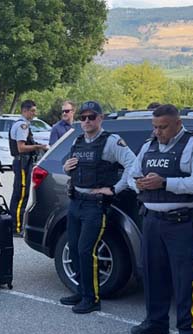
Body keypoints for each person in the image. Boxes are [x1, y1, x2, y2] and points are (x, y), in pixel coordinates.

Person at [127, 104, 193, 334]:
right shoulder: (148, 145)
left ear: (177, 123)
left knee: (185, 279)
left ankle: (188, 330)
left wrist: (164, 182)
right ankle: (156, 321)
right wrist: (139, 184)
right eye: (154, 127)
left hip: (183, 222)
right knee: (153, 274)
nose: (158, 132)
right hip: (152, 219)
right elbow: (133, 174)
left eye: (163, 127)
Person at [60, 101, 136, 314]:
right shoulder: (78, 140)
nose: (86, 121)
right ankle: (81, 290)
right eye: (82, 117)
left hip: (95, 205)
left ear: (100, 118)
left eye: (91, 117)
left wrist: (115, 188)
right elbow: (71, 167)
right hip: (76, 201)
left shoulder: (111, 142)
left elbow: (133, 164)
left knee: (86, 250)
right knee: (74, 248)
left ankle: (91, 298)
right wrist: (65, 168)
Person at [8, 100, 49, 235]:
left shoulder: (22, 124)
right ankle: (17, 227)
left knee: (18, 194)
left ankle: (14, 225)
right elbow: (21, 147)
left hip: (22, 162)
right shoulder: (22, 126)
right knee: (21, 194)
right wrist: (39, 147)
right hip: (22, 163)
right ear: (25, 111)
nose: (34, 113)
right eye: (32, 111)